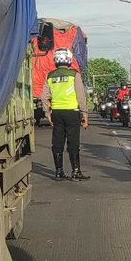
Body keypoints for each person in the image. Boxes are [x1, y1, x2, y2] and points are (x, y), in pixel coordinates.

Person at [41, 48, 90, 181]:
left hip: (57, 113)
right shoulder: (74, 74)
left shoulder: (50, 76)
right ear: (69, 60)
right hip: (72, 112)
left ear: (56, 60)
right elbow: (81, 95)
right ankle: (75, 171)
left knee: (57, 142)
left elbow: (44, 97)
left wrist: (48, 113)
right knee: (73, 141)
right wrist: (84, 114)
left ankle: (58, 172)